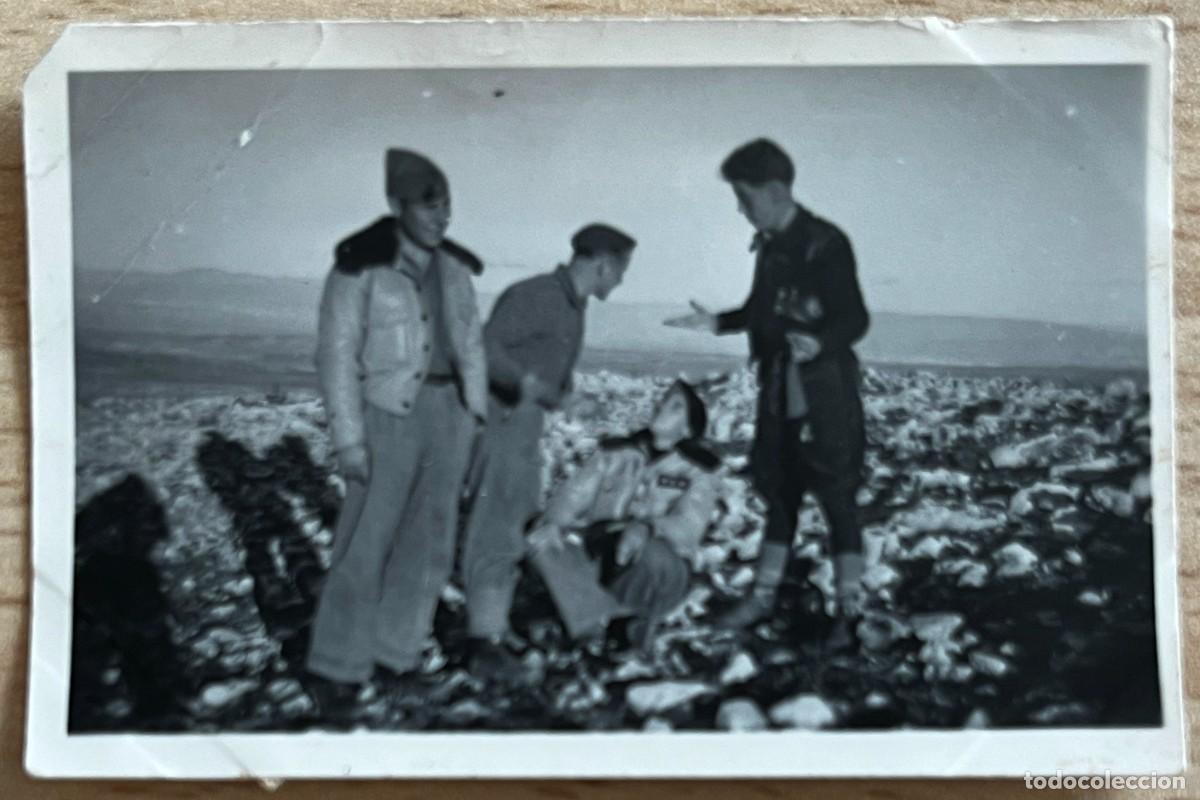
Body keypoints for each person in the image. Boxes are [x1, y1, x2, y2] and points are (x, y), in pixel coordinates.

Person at [305, 149, 488, 711]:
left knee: (430, 548)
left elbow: (472, 347)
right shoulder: (359, 269)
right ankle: (336, 671)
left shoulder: (456, 270)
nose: (442, 216)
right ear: (396, 205)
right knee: (365, 543)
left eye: (447, 205)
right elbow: (336, 357)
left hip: (448, 417)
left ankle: (396, 658)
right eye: (429, 206)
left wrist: (476, 418)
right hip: (389, 416)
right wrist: (349, 440)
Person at [666, 138, 870, 641]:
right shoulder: (772, 246)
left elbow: (855, 317)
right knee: (779, 493)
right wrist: (716, 322)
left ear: (776, 190)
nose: (740, 208)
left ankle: (849, 610)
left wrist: (819, 343)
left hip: (823, 393)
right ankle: (761, 599)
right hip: (779, 389)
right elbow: (761, 310)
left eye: (745, 197)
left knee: (837, 497)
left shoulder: (826, 242)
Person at [461, 223, 636, 684]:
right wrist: (539, 390)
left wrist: (566, 395)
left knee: (528, 529)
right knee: (494, 533)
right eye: (621, 271)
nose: (621, 281)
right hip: (498, 425)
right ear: (604, 265)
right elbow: (482, 349)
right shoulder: (536, 295)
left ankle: (586, 620)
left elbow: (542, 363)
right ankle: (484, 645)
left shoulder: (570, 306)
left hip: (522, 429)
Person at [526, 380, 721, 652]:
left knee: (654, 558)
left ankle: (620, 618)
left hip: (655, 562)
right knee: (541, 539)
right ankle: (597, 622)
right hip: (602, 551)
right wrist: (554, 523)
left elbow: (690, 525)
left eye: (675, 406)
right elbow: (573, 495)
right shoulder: (615, 453)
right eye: (663, 400)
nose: (661, 406)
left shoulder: (698, 470)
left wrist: (647, 528)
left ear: (688, 429)